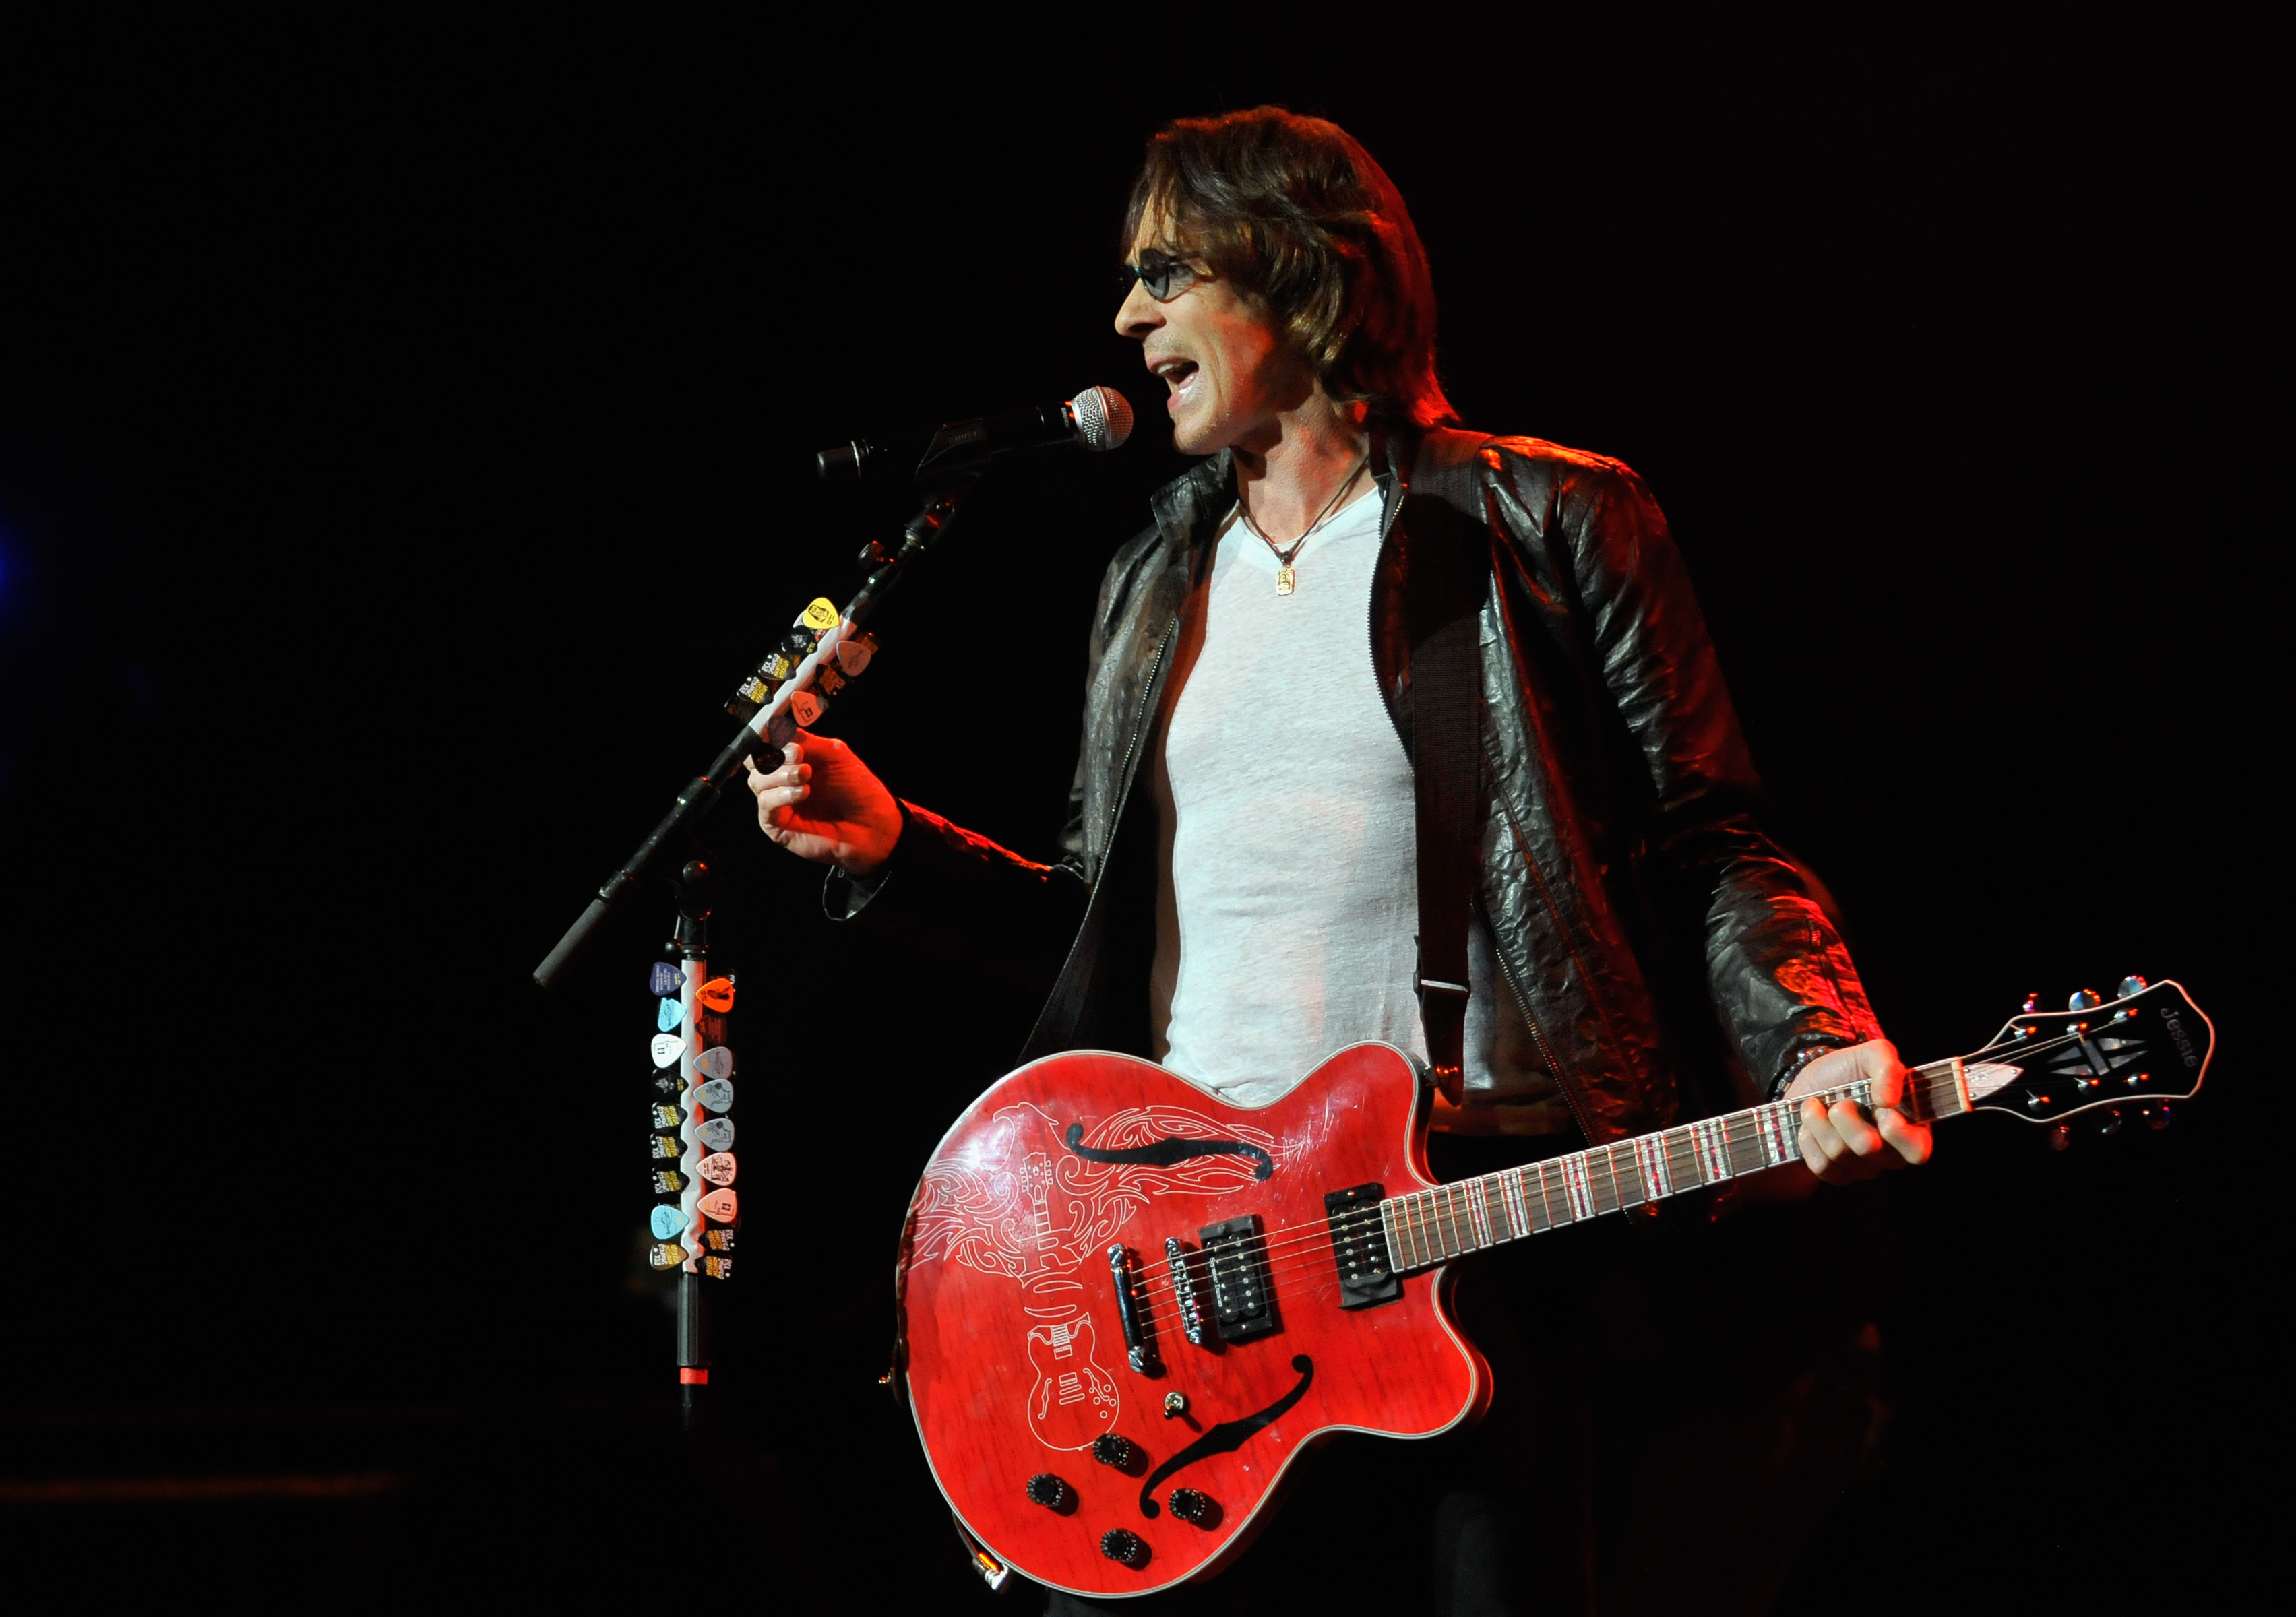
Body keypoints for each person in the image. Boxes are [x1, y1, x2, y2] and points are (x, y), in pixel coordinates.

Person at [751, 108, 1930, 1616]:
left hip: (1472, 1234)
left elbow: (1716, 842)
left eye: (1165, 271)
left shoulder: (1547, 517)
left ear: (1299, 273)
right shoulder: (1153, 578)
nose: (1126, 320)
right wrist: (901, 849)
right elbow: (1096, 932)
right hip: (1181, 1292)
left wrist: (1813, 1041)